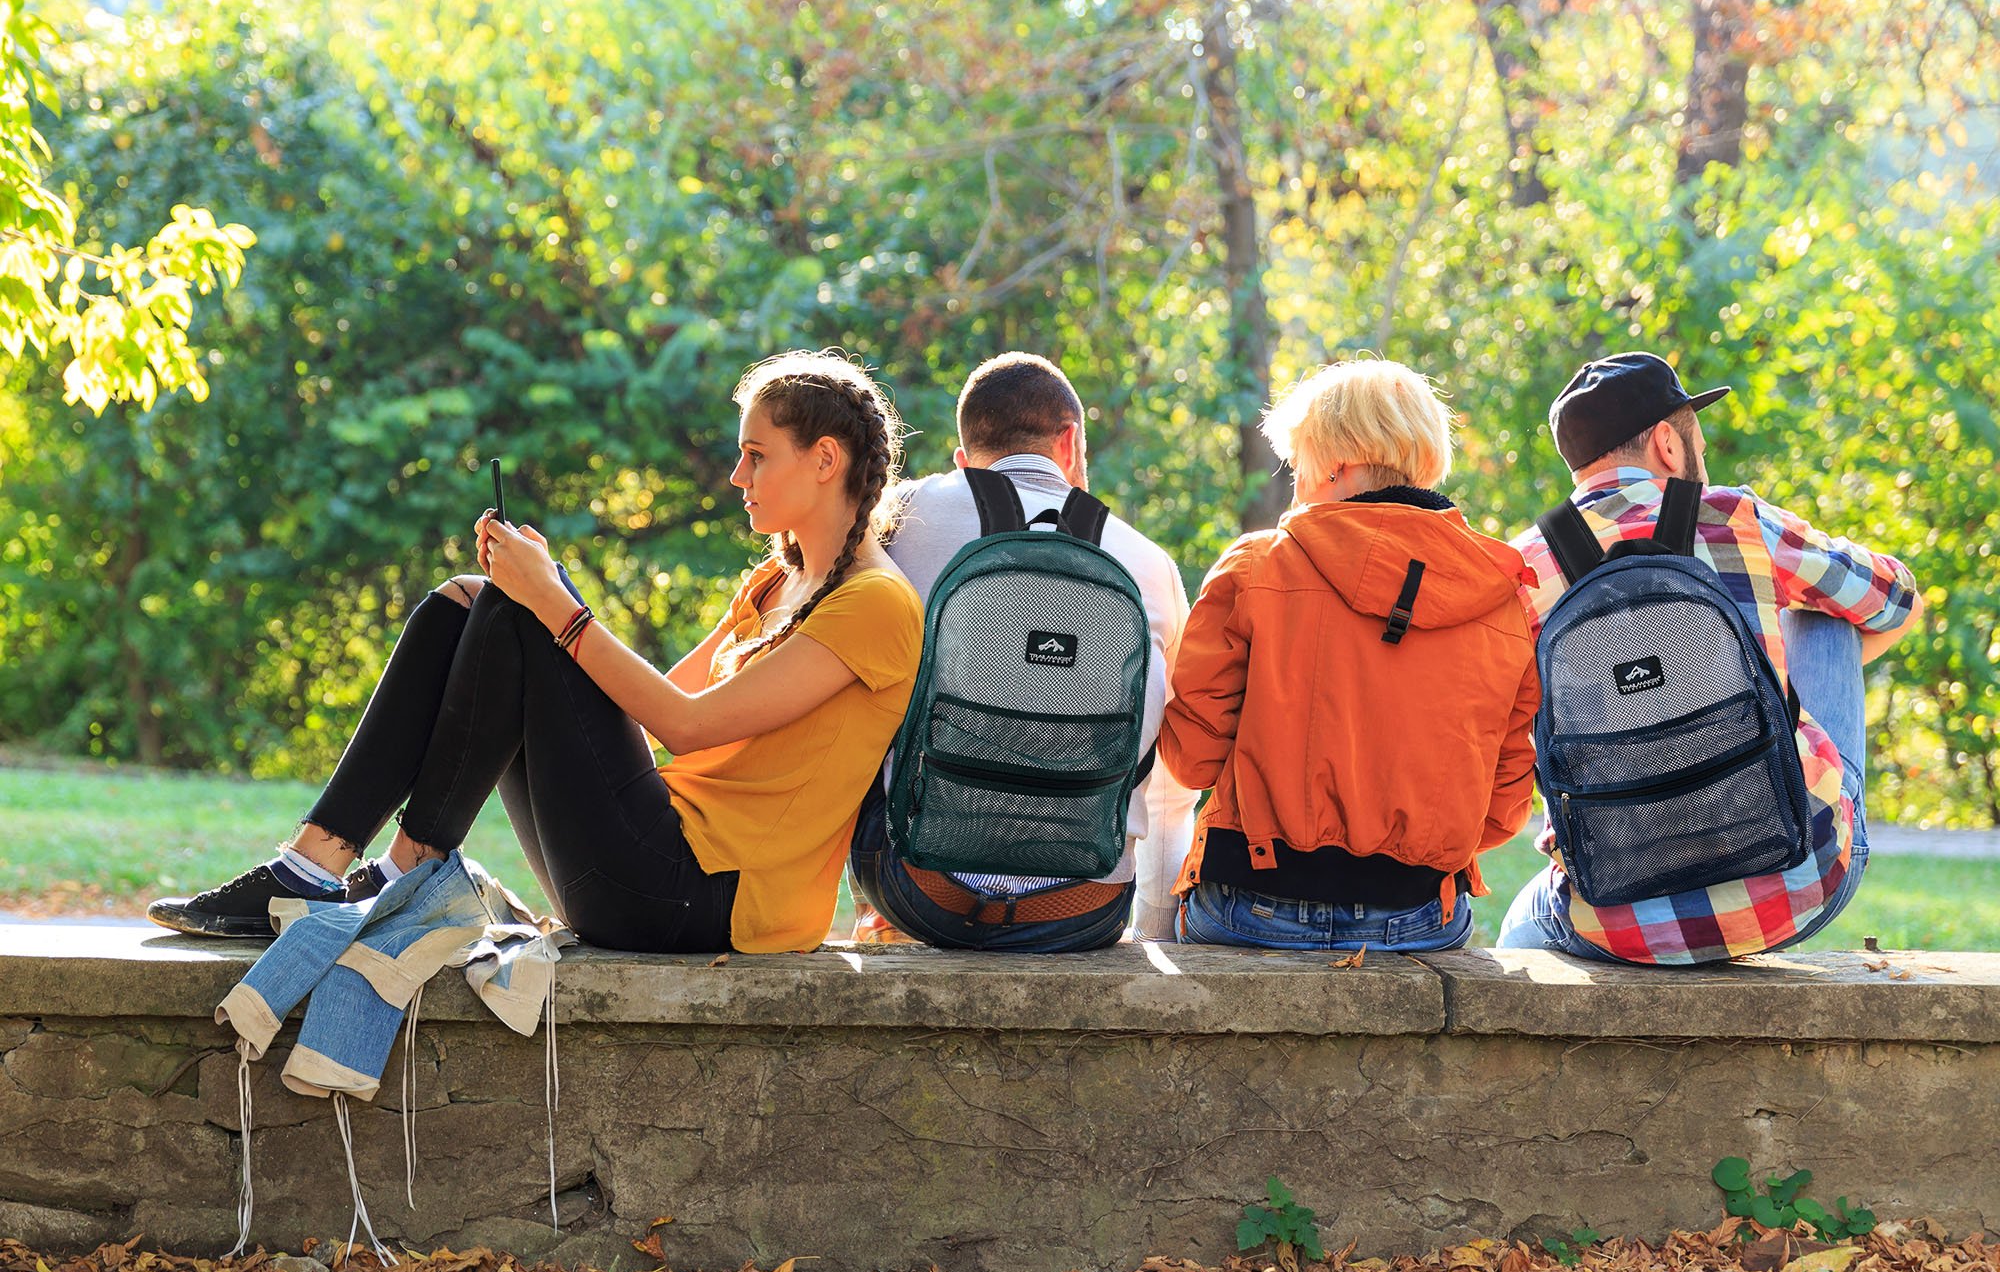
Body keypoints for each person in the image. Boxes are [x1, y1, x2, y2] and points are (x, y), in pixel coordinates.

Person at [149, 351, 923, 955]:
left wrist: (553, 603)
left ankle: (397, 873)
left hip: (701, 897)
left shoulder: (876, 606)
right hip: (644, 865)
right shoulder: (774, 580)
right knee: (469, 599)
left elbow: (686, 724)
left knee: (517, 612)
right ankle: (318, 864)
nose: (736, 476)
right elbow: (644, 712)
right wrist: (545, 595)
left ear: (825, 460)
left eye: (757, 455)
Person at [1496, 351, 1924, 963]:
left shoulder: (1521, 568)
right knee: (1826, 615)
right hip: (1801, 877)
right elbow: (1894, 601)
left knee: (1520, 925)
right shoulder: (1733, 517)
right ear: (1669, 444)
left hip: (1614, 917)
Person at [1162, 358, 1540, 952]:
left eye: (1299, 468)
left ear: (1335, 466)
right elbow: (1505, 807)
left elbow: (1190, 759)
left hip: (1252, 902)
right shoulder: (1501, 597)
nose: (1297, 487)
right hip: (1416, 913)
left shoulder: (1257, 566)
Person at [846, 351, 1200, 949]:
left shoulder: (893, 518)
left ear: (963, 459)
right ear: (1071, 442)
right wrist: (1157, 935)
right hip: (1083, 909)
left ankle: (874, 921)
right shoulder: (1147, 561)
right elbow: (1168, 782)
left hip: (922, 896)